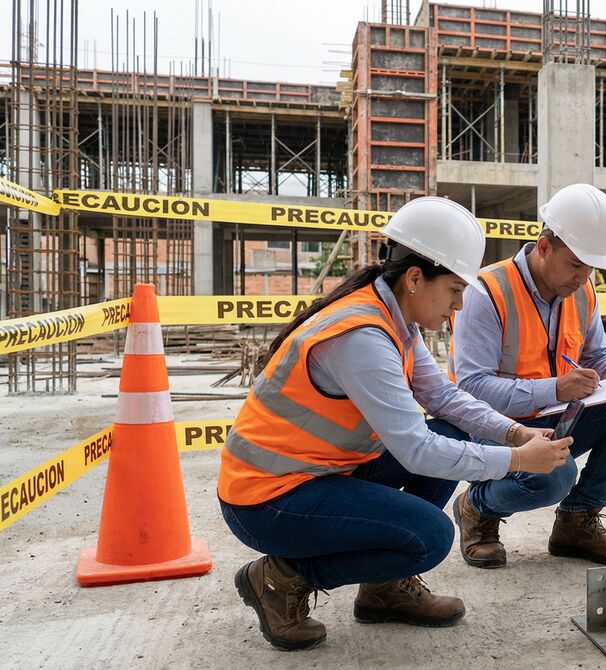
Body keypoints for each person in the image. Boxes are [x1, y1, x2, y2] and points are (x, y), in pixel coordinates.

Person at [217, 196, 573, 650]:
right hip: (268, 499)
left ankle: (383, 588)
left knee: (450, 428)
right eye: (454, 291)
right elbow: (415, 450)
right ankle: (280, 579)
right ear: (415, 278)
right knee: (430, 537)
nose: (459, 306)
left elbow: (442, 398)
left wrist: (514, 432)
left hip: (321, 474)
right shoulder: (362, 337)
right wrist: (517, 459)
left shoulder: (396, 320)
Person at [449, 183, 606, 569]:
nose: (583, 277)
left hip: (556, 413)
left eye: (591, 267)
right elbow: (471, 388)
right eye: (576, 264)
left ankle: (577, 521)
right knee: (555, 476)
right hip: (495, 424)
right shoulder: (486, 292)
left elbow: (597, 353)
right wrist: (554, 387)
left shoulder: (583, 291)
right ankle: (476, 508)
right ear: (544, 246)